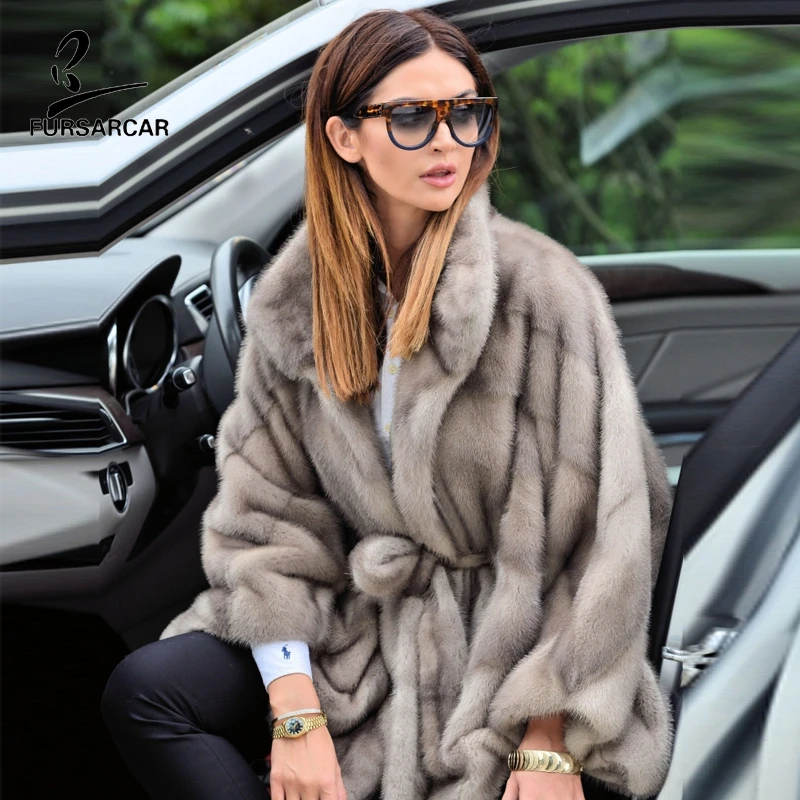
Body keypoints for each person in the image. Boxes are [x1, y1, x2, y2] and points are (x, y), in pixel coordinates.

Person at [101, 8, 676, 800]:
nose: (448, 141)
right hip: (362, 629)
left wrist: (547, 742)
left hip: (517, 651)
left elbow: (609, 534)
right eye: (411, 117)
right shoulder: (294, 307)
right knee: (148, 691)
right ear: (344, 137)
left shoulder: (541, 292)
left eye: (467, 113)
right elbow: (268, 524)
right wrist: (295, 714)